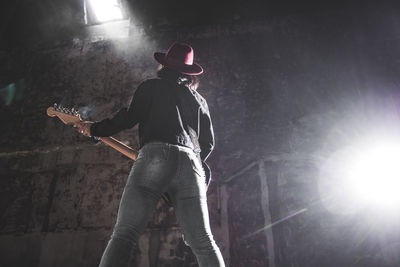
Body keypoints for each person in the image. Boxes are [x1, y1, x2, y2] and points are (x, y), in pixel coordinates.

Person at [75, 42, 225, 267]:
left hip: (155, 155)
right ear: (188, 73)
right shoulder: (199, 100)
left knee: (125, 234)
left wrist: (94, 129)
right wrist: (185, 162)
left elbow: (128, 118)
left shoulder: (151, 87)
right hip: (192, 165)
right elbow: (208, 144)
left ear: (163, 65)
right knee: (203, 241)